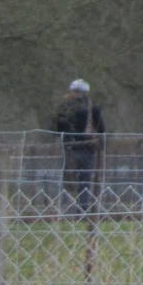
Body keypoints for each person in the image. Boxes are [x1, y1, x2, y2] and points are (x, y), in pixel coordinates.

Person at [52, 78, 105, 217]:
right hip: (88, 148)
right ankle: (82, 210)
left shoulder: (64, 108)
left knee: (68, 179)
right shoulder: (93, 108)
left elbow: (57, 129)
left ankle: (65, 209)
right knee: (84, 180)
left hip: (70, 148)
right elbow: (101, 129)